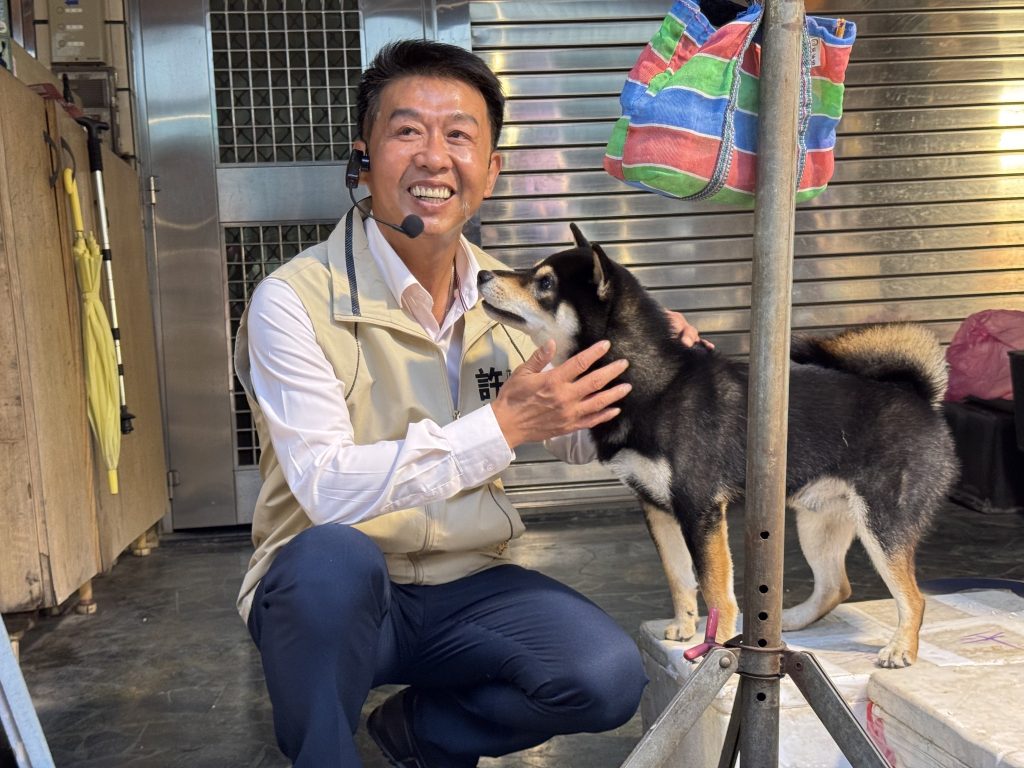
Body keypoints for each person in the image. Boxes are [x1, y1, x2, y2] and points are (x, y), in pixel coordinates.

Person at [234, 38, 706, 768]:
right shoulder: (293, 301)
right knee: (330, 560)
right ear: (364, 158)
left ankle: (418, 733)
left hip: (468, 584)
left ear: (490, 170)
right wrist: (501, 425)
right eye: (407, 131)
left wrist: (648, 375)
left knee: (605, 677)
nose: (433, 158)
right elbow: (325, 490)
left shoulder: (510, 296)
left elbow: (573, 432)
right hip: (337, 592)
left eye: (458, 135)